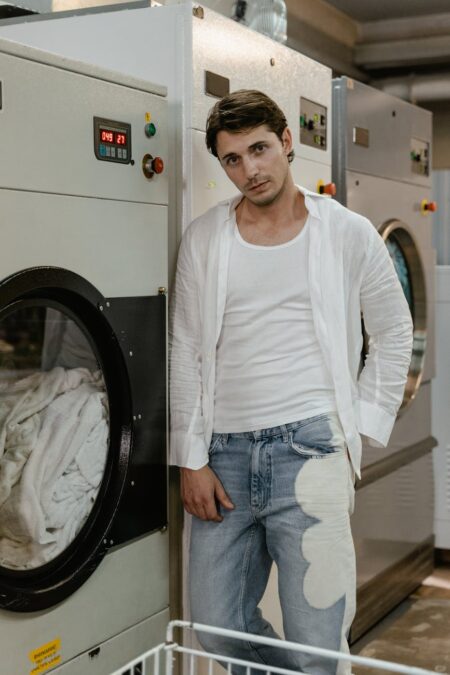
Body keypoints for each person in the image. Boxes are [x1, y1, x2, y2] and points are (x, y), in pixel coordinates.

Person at [169, 89, 413, 674]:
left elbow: (394, 328)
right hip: (222, 459)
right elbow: (184, 350)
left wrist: (360, 423)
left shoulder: (345, 232)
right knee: (214, 626)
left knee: (315, 640)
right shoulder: (206, 239)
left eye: (258, 149)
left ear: (286, 141)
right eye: (231, 159)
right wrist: (190, 459)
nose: (248, 170)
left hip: (310, 452)